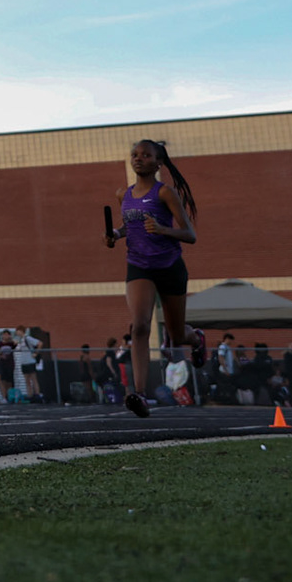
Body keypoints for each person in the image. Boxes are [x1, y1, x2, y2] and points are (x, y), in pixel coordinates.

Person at [106, 139, 206, 418]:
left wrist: (163, 230)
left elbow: (190, 235)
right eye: (135, 155)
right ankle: (139, 393)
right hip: (139, 267)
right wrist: (115, 234)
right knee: (139, 326)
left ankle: (196, 339)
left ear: (158, 162)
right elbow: (131, 225)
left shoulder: (165, 193)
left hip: (170, 266)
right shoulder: (123, 194)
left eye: (146, 155)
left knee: (177, 335)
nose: (138, 159)